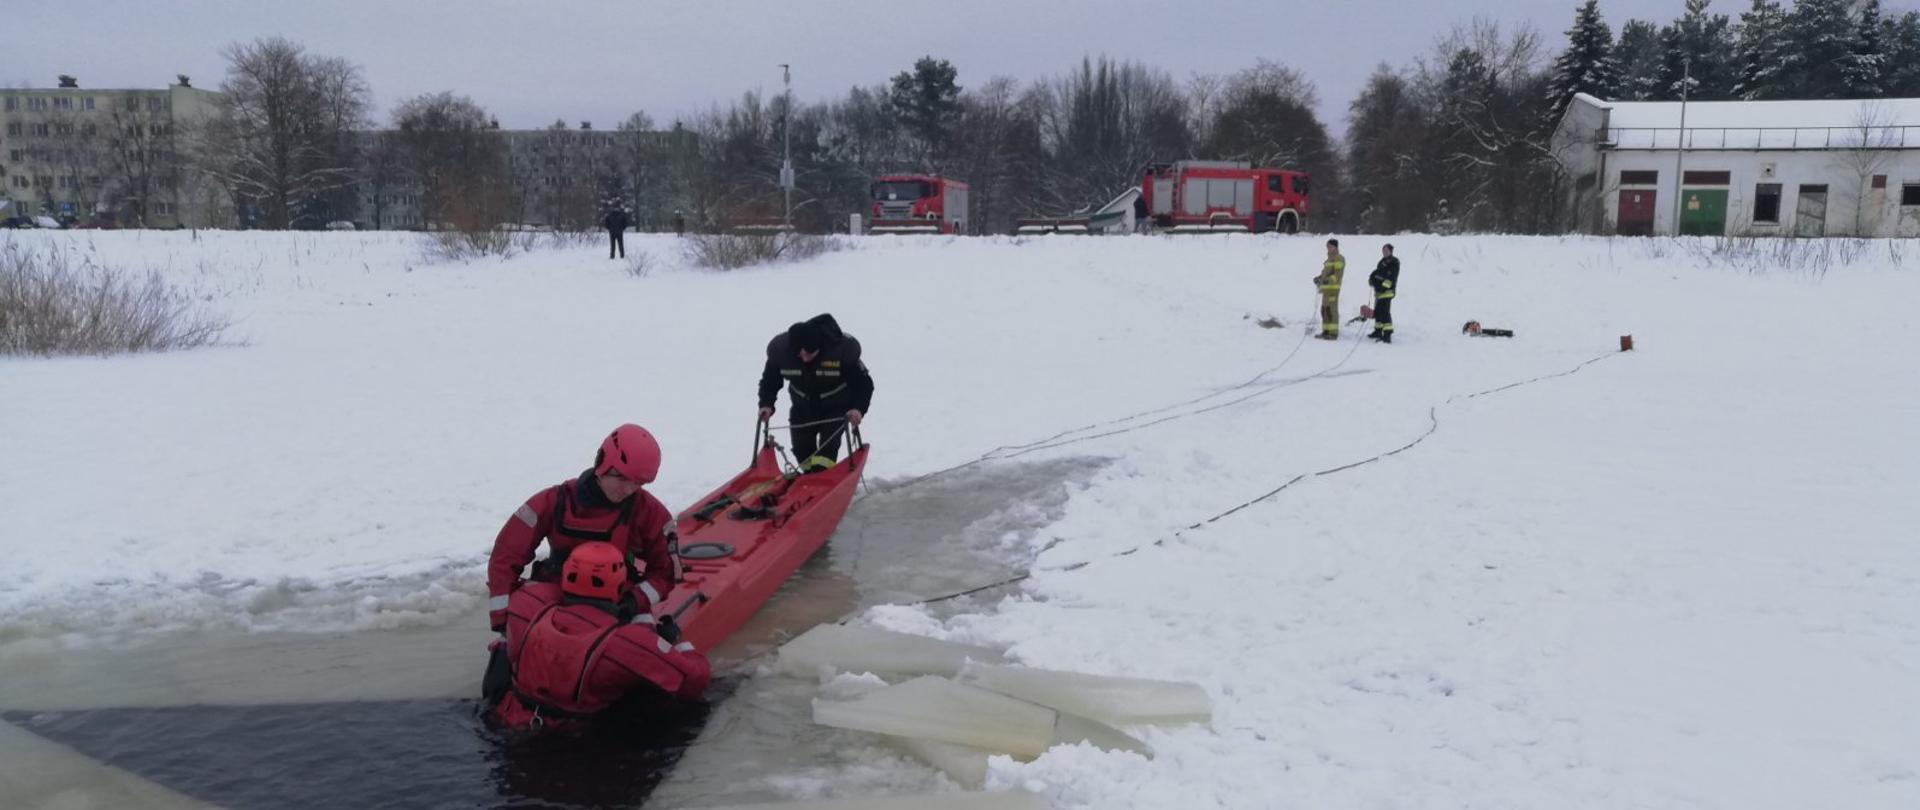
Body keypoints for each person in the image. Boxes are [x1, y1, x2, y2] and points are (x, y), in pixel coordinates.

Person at [487, 541, 711, 729]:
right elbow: (694, 680)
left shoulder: (526, 604)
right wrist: (677, 643)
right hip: (572, 739)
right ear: (620, 584)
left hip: (508, 719)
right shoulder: (627, 643)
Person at [486, 424, 681, 636]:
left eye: (638, 483)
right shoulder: (554, 502)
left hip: (618, 602)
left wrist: (634, 602)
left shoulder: (649, 512)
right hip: (556, 592)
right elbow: (505, 556)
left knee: (641, 638)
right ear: (603, 464)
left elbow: (665, 572)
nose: (628, 489)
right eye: (622, 478)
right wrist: (503, 617)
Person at [757, 313, 874, 471]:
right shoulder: (781, 352)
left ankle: (823, 479)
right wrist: (766, 404)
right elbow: (769, 381)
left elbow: (864, 385)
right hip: (802, 406)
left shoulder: (842, 351)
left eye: (809, 354)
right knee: (802, 450)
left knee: (825, 453)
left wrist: (858, 409)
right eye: (800, 355)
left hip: (836, 407)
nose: (805, 359)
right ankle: (808, 480)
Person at [1368, 244, 1399, 343]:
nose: (1384, 252)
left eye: (1386, 250)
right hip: (1379, 292)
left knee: (1385, 313)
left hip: (1387, 292)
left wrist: (1383, 287)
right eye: (1383, 250)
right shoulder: (1382, 261)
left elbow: (1391, 278)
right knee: (1378, 312)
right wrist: (1372, 279)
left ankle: (1387, 334)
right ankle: (1378, 331)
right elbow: (1377, 273)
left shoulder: (1394, 262)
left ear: (1391, 251)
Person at [1314, 238, 1345, 340]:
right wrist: (1319, 278)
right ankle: (1326, 331)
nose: (1328, 248)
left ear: (1335, 247)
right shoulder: (1328, 259)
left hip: (1333, 289)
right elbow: (1325, 273)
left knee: (1332, 310)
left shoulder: (1339, 258)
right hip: (1326, 290)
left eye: (1330, 246)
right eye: (1327, 246)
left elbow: (1337, 274)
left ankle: (1333, 333)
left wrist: (1329, 280)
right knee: (1324, 310)